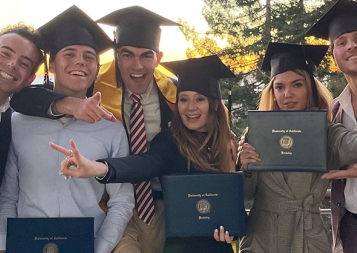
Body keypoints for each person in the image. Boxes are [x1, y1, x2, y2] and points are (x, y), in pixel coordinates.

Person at [9, 6, 178, 253]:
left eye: (146, 55)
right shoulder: (24, 119)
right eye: (127, 54)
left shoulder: (174, 95)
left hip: (156, 201)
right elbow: (22, 99)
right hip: (90, 217)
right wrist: (67, 103)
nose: (137, 65)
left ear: (158, 58)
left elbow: (202, 127)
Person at [49, 55, 240, 253]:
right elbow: (144, 164)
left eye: (199, 99)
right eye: (183, 99)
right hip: (180, 244)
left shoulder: (229, 144)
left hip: (216, 245)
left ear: (215, 104)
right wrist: (98, 168)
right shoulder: (170, 142)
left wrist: (233, 229)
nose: (190, 107)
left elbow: (238, 204)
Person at [237, 42, 357, 253]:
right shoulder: (256, 133)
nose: (287, 94)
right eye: (280, 87)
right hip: (260, 239)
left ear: (310, 88)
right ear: (272, 92)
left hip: (307, 237)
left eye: (297, 85)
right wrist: (245, 168)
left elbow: (352, 145)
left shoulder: (327, 133)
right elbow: (246, 195)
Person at [306, 1, 357, 252]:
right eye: (342, 41)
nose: (351, 46)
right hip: (351, 228)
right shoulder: (336, 110)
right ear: (333, 52)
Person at [0, 23, 42, 189]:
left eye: (24, 63)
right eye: (4, 54)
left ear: (30, 79)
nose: (12, 64)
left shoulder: (11, 126)